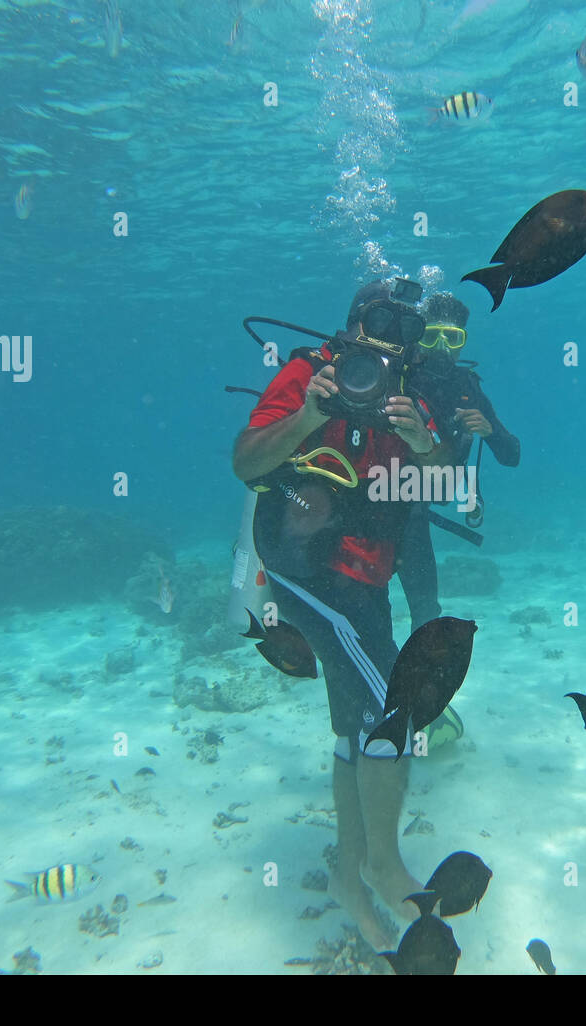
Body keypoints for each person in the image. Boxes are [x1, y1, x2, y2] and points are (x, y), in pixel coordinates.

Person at [231, 279, 449, 950]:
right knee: (395, 708)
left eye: (404, 329)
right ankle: (385, 866)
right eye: (376, 321)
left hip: (368, 580)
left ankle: (350, 879)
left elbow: (441, 482)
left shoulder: (411, 397)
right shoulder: (306, 374)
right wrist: (305, 417)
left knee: (355, 726)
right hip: (310, 569)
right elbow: (246, 462)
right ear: (351, 323)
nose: (387, 340)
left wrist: (422, 441)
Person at [395, 291, 521, 632]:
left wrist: (491, 431)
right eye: (431, 335)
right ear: (417, 336)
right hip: (372, 499)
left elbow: (512, 456)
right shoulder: (397, 375)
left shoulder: (468, 389)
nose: (441, 347)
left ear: (463, 342)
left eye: (452, 338)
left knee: (425, 610)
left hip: (414, 509)